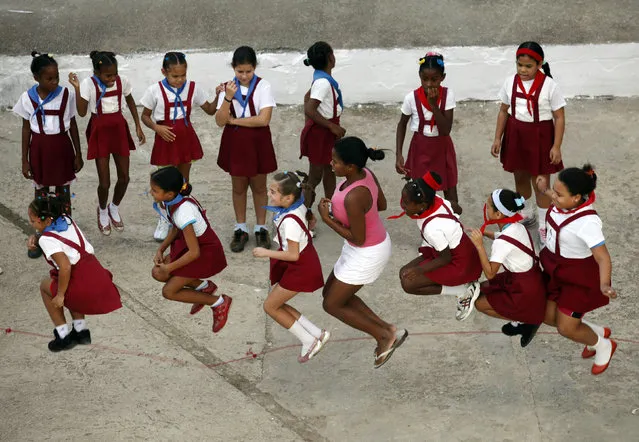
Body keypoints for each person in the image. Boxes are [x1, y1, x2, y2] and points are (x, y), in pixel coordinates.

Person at [319, 136, 407, 369]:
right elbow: (381, 205)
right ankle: (387, 329)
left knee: (331, 304)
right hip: (363, 247)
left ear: (350, 167)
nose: (331, 164)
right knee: (331, 294)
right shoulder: (366, 175)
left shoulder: (354, 196)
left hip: (366, 251)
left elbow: (357, 237)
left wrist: (328, 220)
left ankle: (383, 337)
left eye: (336, 162)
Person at [536, 165, 617, 375]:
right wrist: (545, 189)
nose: (553, 196)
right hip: (556, 269)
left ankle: (602, 345)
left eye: (558, 194)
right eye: (554, 190)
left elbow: (603, 257)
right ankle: (593, 331)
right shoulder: (561, 203)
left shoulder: (587, 222)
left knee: (566, 328)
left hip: (577, 278)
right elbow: (551, 195)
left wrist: (605, 284)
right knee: (546, 315)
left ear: (576, 198)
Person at [140, 51, 221, 241]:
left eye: (183, 75)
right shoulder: (154, 91)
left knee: (183, 181)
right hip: (166, 140)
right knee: (163, 181)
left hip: (185, 139)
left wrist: (219, 96)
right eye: (175, 76)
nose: (180, 80)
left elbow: (209, 110)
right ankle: (165, 218)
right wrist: (157, 127)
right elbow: (145, 115)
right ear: (164, 72)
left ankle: (182, 215)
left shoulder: (193, 88)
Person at [491, 42, 566, 244]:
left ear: (539, 64)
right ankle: (525, 212)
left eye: (528, 66)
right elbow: (503, 111)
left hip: (540, 138)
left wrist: (556, 146)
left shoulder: (550, 86)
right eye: (519, 65)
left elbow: (559, 117)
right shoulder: (510, 82)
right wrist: (498, 137)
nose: (523, 70)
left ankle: (544, 225)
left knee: (541, 183)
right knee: (521, 179)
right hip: (516, 135)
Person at [27, 194, 121, 352]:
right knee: (68, 282)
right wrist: (36, 237)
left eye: (33, 221)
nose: (31, 224)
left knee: (47, 286)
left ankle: (63, 336)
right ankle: (81, 331)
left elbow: (65, 267)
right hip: (96, 274)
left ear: (47, 221)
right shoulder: (66, 219)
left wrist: (60, 295)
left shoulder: (46, 240)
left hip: (81, 284)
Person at [253, 171, 329, 363]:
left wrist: (266, 252)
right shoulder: (296, 207)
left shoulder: (290, 221)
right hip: (304, 262)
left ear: (287, 197)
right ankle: (316, 333)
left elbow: (292, 254)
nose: (269, 194)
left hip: (299, 267)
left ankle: (309, 340)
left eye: (273, 192)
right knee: (277, 303)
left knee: (270, 306)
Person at [68, 51, 146, 235]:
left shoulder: (122, 81)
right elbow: (80, 112)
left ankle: (114, 207)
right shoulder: (88, 84)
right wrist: (77, 88)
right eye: (107, 75)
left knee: (125, 177)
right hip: (99, 131)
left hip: (119, 129)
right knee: (104, 182)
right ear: (96, 72)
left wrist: (137, 125)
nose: (112, 79)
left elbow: (130, 100)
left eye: (114, 74)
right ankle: (102, 210)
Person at [14, 52, 83, 259]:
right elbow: (26, 129)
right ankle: (43, 234)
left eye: (56, 77)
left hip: (61, 147)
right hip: (40, 149)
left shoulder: (65, 95)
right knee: (41, 193)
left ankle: (66, 232)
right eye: (49, 78)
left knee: (63, 192)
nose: (54, 82)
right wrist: (25, 159)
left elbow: (73, 125)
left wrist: (78, 153)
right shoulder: (27, 98)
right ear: (36, 78)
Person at [150, 167, 232, 333]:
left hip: (204, 253)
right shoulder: (172, 202)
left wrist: (170, 267)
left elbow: (195, 253)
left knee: (169, 291)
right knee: (158, 273)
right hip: (188, 246)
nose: (150, 192)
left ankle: (218, 302)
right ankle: (203, 287)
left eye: (154, 190)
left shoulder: (183, 212)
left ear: (170, 194)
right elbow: (174, 228)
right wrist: (161, 248)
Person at [391, 171, 481, 320]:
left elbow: (445, 259)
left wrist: (419, 269)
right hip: (457, 250)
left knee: (408, 283)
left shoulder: (432, 229)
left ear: (422, 205)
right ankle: (461, 288)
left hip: (460, 264)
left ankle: (462, 290)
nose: (402, 205)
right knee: (404, 273)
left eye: (406, 203)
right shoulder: (437, 200)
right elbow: (458, 208)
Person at [466, 189, 547, 347]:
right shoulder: (516, 226)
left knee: (479, 304)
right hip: (531, 279)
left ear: (497, 215)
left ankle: (526, 320)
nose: (485, 207)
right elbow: (503, 237)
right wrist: (485, 234)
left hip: (523, 289)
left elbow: (490, 273)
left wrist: (479, 246)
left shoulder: (502, 243)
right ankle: (521, 318)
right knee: (482, 289)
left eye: (488, 206)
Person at [215, 46, 277, 252]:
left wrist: (236, 121)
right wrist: (227, 98)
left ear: (255, 68)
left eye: (248, 71)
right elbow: (220, 121)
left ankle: (261, 227)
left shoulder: (263, 86)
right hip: (236, 144)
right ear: (233, 68)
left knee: (259, 187)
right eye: (240, 71)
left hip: (257, 141)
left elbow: (264, 119)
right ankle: (240, 227)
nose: (243, 75)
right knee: (239, 187)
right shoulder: (227, 88)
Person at [396, 52, 461, 214]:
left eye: (435, 79)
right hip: (420, 148)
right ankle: (429, 230)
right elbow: (402, 124)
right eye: (425, 79)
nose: (429, 84)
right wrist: (399, 154)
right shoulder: (411, 98)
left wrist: (433, 105)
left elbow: (445, 130)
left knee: (450, 193)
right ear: (419, 76)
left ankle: (453, 224)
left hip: (442, 148)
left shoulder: (448, 95)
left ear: (442, 77)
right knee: (421, 194)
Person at [300, 41, 345, 231]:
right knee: (315, 175)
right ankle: (303, 214)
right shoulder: (323, 83)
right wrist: (331, 126)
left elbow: (306, 98)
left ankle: (332, 210)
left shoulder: (321, 79)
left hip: (325, 132)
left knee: (330, 171)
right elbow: (309, 108)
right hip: (322, 133)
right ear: (330, 58)